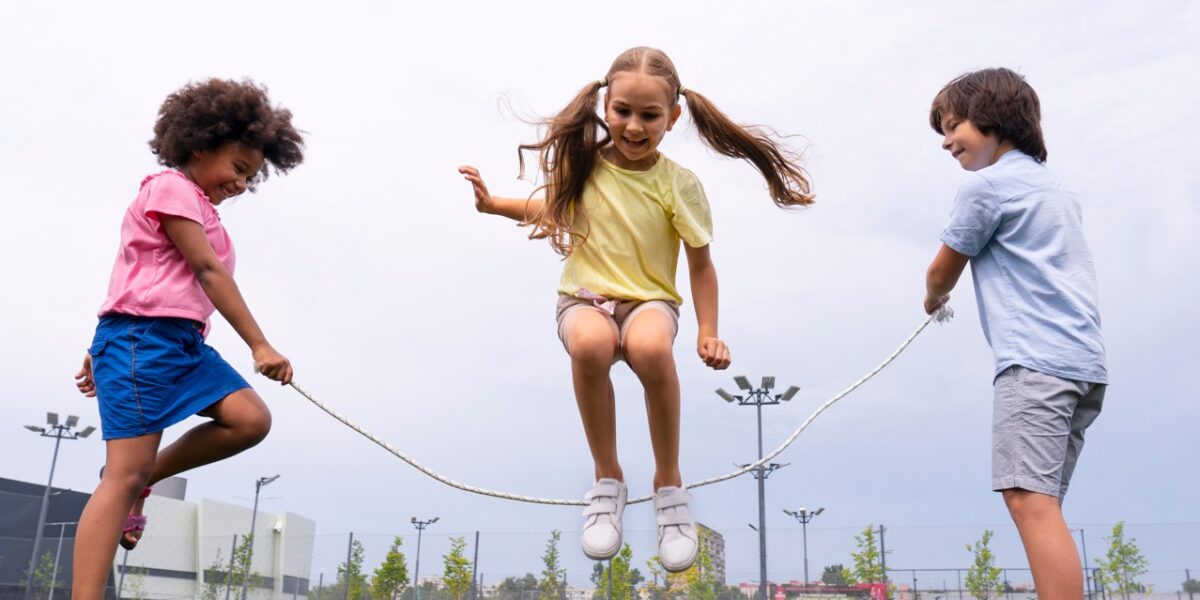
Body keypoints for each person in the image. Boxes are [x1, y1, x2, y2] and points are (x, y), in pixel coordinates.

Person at [460, 46, 812, 571]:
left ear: (672, 117)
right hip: (585, 298)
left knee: (648, 347)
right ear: (606, 107)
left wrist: (708, 330)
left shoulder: (679, 183)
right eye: (623, 111)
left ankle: (669, 486)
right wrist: (493, 206)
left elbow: (701, 265)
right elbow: (548, 208)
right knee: (589, 343)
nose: (633, 125)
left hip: (649, 301)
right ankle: (608, 481)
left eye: (649, 115)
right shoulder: (585, 168)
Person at [71, 78, 304, 598]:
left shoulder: (205, 212)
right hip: (141, 341)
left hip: (180, 345)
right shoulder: (170, 188)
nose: (243, 183)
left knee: (250, 419)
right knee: (121, 478)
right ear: (200, 146)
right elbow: (205, 271)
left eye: (252, 176)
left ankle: (145, 479)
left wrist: (98, 344)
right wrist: (259, 345)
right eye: (238, 168)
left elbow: (140, 272)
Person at [923, 67, 1106, 599]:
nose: (945, 140)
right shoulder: (1055, 189)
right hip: (1084, 367)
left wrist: (933, 298)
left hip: (1035, 364)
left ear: (993, 119)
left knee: (1030, 501)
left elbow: (941, 270)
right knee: (1042, 501)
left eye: (954, 124)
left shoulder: (985, 188)